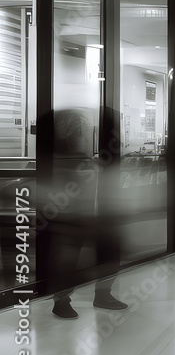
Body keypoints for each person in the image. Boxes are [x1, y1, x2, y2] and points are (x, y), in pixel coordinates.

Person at [40, 108, 128, 319]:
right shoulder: (60, 153)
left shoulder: (84, 151)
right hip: (71, 212)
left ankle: (101, 294)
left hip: (90, 209)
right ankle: (62, 299)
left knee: (108, 248)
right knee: (68, 255)